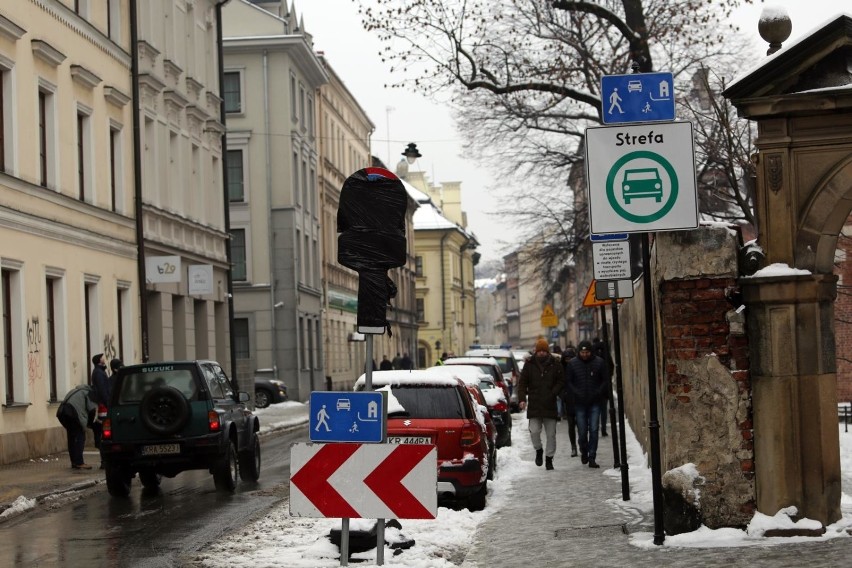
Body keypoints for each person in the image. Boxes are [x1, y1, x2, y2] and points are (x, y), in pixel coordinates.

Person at [516, 338, 565, 471]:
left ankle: (549, 458)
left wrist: (553, 392)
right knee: (534, 431)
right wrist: (522, 399)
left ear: (547, 351)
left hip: (550, 404)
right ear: (536, 351)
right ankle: (538, 450)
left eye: (544, 351)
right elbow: (522, 383)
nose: (542, 353)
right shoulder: (529, 364)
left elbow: (561, 381)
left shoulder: (555, 364)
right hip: (535, 404)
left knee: (551, 435)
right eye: (539, 351)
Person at [564, 340, 609, 469]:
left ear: (591, 352)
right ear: (579, 352)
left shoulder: (599, 362)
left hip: (595, 401)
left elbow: (604, 380)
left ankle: (592, 457)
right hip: (579, 403)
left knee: (594, 430)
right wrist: (576, 393)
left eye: (587, 352)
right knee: (582, 431)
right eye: (582, 352)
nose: (585, 354)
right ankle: (583, 449)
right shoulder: (572, 364)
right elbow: (569, 382)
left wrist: (598, 392)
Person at [55, 384, 98, 470]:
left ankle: (74, 462)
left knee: (72, 437)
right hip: (73, 414)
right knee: (79, 437)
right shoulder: (89, 393)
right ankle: (79, 462)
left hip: (62, 412)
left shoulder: (75, 391)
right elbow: (92, 410)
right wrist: (91, 424)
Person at [591, 337, 615, 437]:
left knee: (595, 410)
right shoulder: (606, 354)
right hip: (605, 387)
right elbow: (612, 366)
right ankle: (603, 429)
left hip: (594, 386)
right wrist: (608, 377)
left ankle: (595, 429)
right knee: (603, 410)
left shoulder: (593, 355)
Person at [560, 344, 579, 457]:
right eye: (567, 359)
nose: (569, 361)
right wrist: (563, 395)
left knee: (581, 424)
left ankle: (581, 444)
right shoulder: (561, 369)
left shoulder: (579, 366)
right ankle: (573, 446)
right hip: (569, 401)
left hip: (580, 400)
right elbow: (559, 384)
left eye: (571, 358)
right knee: (571, 425)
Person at [89, 354, 110, 450]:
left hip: (102, 403)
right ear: (99, 360)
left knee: (101, 425)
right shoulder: (98, 373)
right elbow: (102, 389)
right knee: (101, 425)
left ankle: (100, 444)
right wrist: (107, 402)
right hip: (102, 404)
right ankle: (100, 445)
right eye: (102, 357)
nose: (104, 359)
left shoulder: (100, 371)